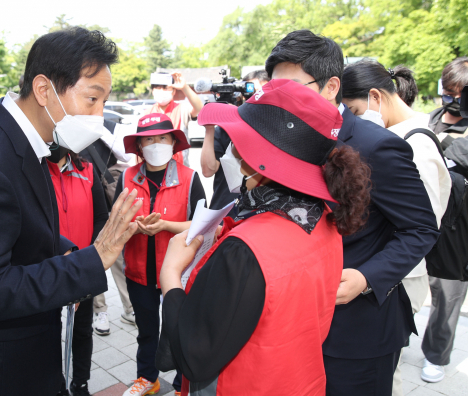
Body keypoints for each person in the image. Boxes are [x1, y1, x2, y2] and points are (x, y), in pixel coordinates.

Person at [0, 27, 142, 395]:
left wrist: (69, 252)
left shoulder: (26, 141)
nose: (99, 115)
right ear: (44, 90)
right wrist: (94, 259)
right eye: (92, 99)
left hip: (24, 355)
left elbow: (23, 228)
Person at [158, 78, 371, 396]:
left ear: (258, 158)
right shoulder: (326, 220)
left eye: (236, 141)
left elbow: (195, 355)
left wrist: (170, 275)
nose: (229, 151)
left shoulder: (244, 251)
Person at [265, 30, 439, 395]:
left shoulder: (378, 147)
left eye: (293, 88)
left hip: (358, 330)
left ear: (331, 86)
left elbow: (421, 228)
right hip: (294, 320)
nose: (280, 101)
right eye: (273, 90)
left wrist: (366, 277)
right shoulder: (285, 140)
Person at [341, 59, 452, 396]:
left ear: (376, 97)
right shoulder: (393, 134)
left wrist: (370, 274)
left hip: (398, 279)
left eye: (355, 111)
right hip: (381, 276)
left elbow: (422, 225)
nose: (354, 122)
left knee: (389, 373)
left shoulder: (412, 143)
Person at [115, 113, 206, 396]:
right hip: (139, 269)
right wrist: (133, 226)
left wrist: (166, 225)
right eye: (149, 139)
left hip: (177, 272)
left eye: (162, 138)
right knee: (146, 329)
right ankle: (147, 378)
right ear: (139, 146)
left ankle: (182, 385)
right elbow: (116, 220)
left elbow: (204, 223)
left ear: (172, 142)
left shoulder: (190, 179)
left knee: (179, 328)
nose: (156, 144)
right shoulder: (128, 177)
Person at [419, 56, 468, 384]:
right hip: (423, 220)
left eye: (459, 94)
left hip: (458, 231)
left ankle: (437, 353)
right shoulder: (428, 120)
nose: (452, 100)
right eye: (448, 92)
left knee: (448, 296)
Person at [48, 148, 108, 396]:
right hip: (46, 268)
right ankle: (52, 382)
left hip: (83, 267)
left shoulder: (88, 171)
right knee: (47, 329)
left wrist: (88, 258)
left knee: (82, 330)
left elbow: (101, 218)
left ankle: (80, 382)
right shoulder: (35, 169)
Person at [80, 120, 136, 335]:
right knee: (90, 249)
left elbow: (125, 155)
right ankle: (100, 309)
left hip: (108, 184)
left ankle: (129, 307)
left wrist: (99, 127)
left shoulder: (106, 123)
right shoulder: (63, 118)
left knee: (119, 248)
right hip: (83, 185)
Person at [200, 72, 270, 213]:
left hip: (261, 210)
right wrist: (209, 128)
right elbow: (208, 170)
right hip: (226, 211)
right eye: (248, 93)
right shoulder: (224, 131)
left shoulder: (274, 128)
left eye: (259, 92)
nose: (254, 97)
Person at [146, 72, 204, 167]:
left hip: (179, 166)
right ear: (152, 91)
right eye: (158, 88)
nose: (161, 91)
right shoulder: (147, 113)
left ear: (173, 91)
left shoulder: (182, 109)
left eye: (165, 88)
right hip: (153, 167)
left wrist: (184, 87)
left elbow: (199, 108)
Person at [429, 57, 468, 148]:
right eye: (449, 96)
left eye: (461, 99)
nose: (455, 102)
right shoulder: (426, 121)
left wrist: (445, 141)